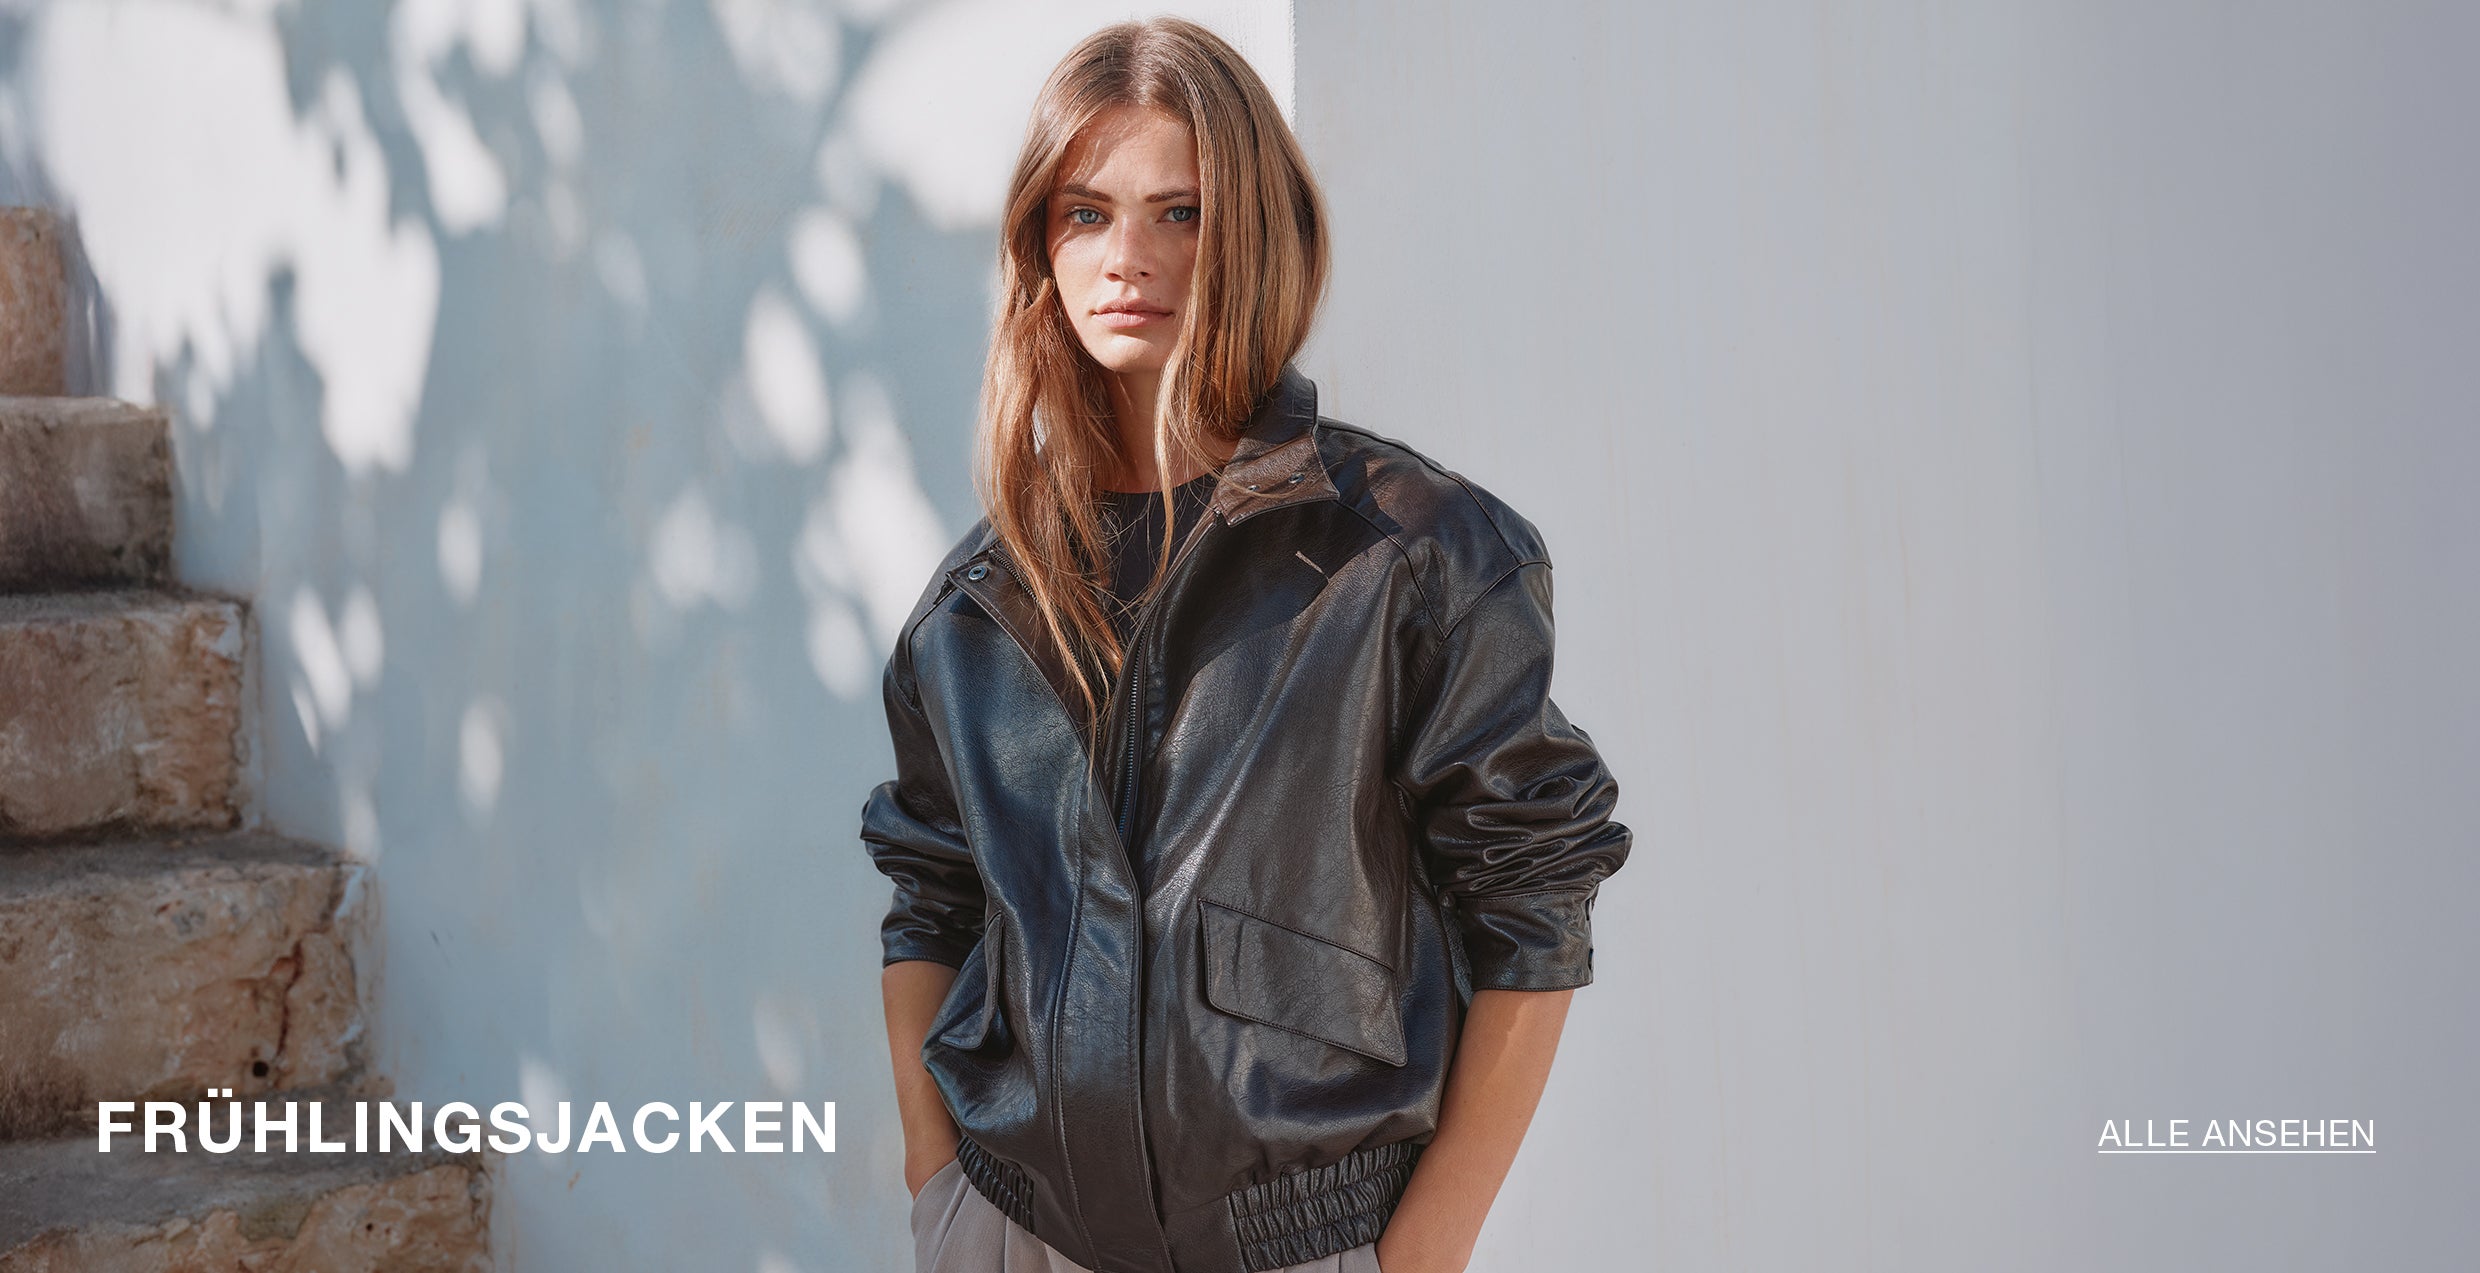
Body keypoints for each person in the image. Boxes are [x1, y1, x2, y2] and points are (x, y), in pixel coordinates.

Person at [863, 18, 1632, 1273]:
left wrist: (1421, 1251)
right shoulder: (977, 605)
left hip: (1305, 1246)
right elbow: (931, 895)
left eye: (1180, 213)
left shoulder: (1410, 557)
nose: (1128, 258)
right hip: (1011, 1232)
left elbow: (1534, 898)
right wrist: (936, 1185)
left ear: (1255, 232)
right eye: (1085, 214)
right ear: (1038, 246)